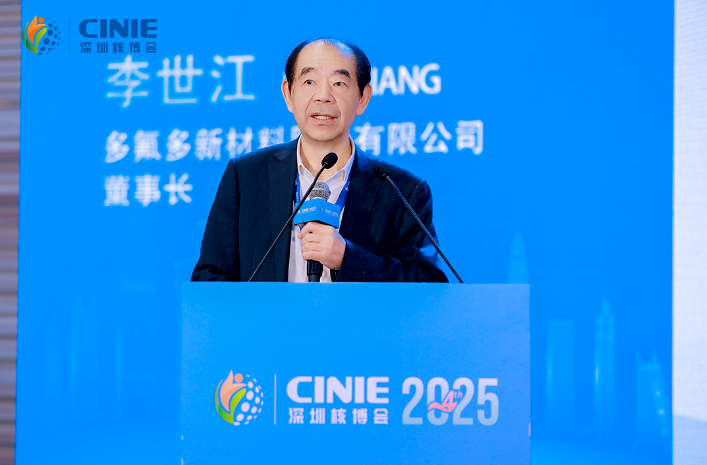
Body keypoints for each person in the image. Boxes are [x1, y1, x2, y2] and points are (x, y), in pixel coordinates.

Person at [191, 38, 448, 283]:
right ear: (288, 94)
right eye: (309, 81)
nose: (323, 96)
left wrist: (348, 259)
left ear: (363, 98)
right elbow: (210, 278)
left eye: (339, 83)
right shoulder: (245, 176)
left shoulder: (402, 190)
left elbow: (428, 284)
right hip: (266, 318)